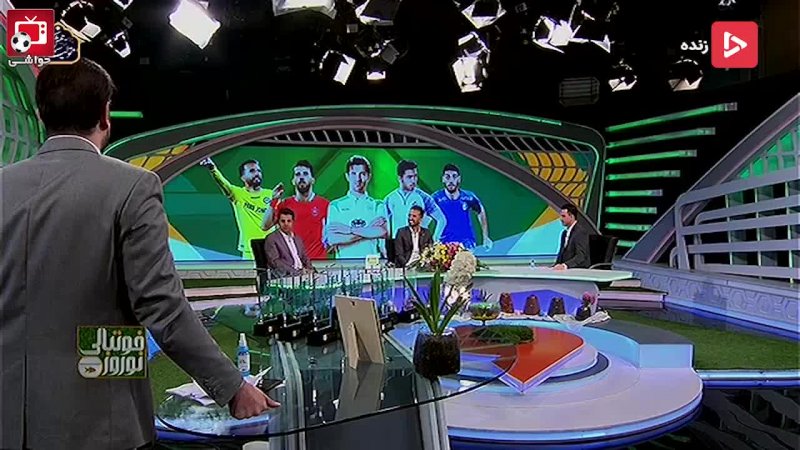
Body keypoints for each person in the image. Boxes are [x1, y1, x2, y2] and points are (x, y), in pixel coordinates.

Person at [0, 59, 278, 450]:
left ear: (42, 114)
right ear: (105, 115)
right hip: (100, 424)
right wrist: (232, 387)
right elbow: (160, 304)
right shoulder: (132, 186)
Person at [199, 156, 284, 259]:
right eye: (252, 171)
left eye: (259, 171)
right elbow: (223, 183)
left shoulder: (271, 194)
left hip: (271, 249)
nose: (257, 173)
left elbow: (279, 222)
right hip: (249, 250)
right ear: (243, 177)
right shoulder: (238, 194)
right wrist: (213, 169)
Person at [262, 160, 329, 260]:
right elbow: (265, 226)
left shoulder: (325, 204)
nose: (301, 177)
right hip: (292, 264)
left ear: (312, 180)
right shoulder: (284, 204)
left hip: (318, 262)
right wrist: (274, 200)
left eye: (305, 174)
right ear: (293, 181)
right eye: (298, 174)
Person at [324, 155, 388, 258]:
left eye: (362, 174)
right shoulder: (335, 205)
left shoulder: (377, 205)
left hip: (371, 263)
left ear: (368, 176)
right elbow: (333, 239)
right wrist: (369, 230)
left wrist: (349, 230)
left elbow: (382, 232)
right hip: (344, 263)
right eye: (353, 174)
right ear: (347, 176)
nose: (358, 179)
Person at [432, 163, 492, 250]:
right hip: (443, 245)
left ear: (459, 179)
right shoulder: (436, 198)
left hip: (467, 244)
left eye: (454, 177)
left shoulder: (468, 197)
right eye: (447, 177)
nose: (451, 181)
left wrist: (485, 236)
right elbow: (425, 218)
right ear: (443, 179)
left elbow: (481, 211)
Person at [384, 160, 447, 241]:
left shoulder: (424, 198)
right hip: (398, 245)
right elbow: (384, 224)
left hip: (419, 245)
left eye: (415, 176)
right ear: (400, 178)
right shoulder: (389, 199)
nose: (413, 180)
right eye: (409, 177)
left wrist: (435, 240)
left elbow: (441, 219)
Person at [264, 208, 315, 277]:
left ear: (293, 222)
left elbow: (304, 257)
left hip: (302, 274)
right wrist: (296, 272)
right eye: (283, 221)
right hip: (284, 275)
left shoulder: (297, 238)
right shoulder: (272, 238)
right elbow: (275, 261)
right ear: (278, 222)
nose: (286, 224)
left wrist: (310, 269)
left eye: (289, 221)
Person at [554, 203, 590, 270]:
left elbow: (581, 256)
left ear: (572, 216)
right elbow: (561, 254)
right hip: (566, 270)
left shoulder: (580, 232)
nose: (561, 219)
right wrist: (555, 266)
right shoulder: (564, 233)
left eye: (563, 216)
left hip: (578, 270)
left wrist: (565, 265)